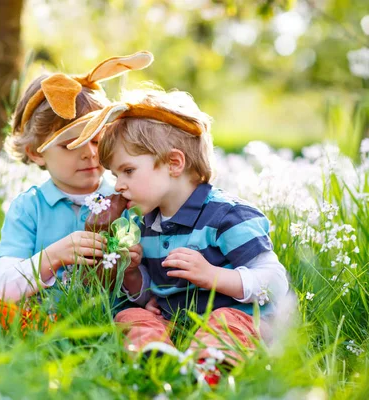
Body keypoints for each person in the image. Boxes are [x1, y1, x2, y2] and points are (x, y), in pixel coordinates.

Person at [0, 52, 154, 349]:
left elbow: (148, 291)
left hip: (107, 320)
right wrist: (55, 255)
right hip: (37, 317)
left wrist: (134, 274)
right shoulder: (29, 207)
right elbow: (6, 286)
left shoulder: (128, 198)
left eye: (97, 139)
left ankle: (153, 355)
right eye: (70, 144)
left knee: (144, 320)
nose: (89, 153)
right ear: (35, 152)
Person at [67, 88, 289, 384]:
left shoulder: (228, 216)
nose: (118, 185)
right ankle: (158, 360)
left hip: (239, 318)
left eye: (128, 171)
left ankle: (208, 370)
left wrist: (213, 276)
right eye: (115, 175)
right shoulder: (147, 222)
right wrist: (134, 276)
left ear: (174, 163)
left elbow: (274, 281)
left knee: (224, 322)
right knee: (129, 316)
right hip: (178, 324)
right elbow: (156, 294)